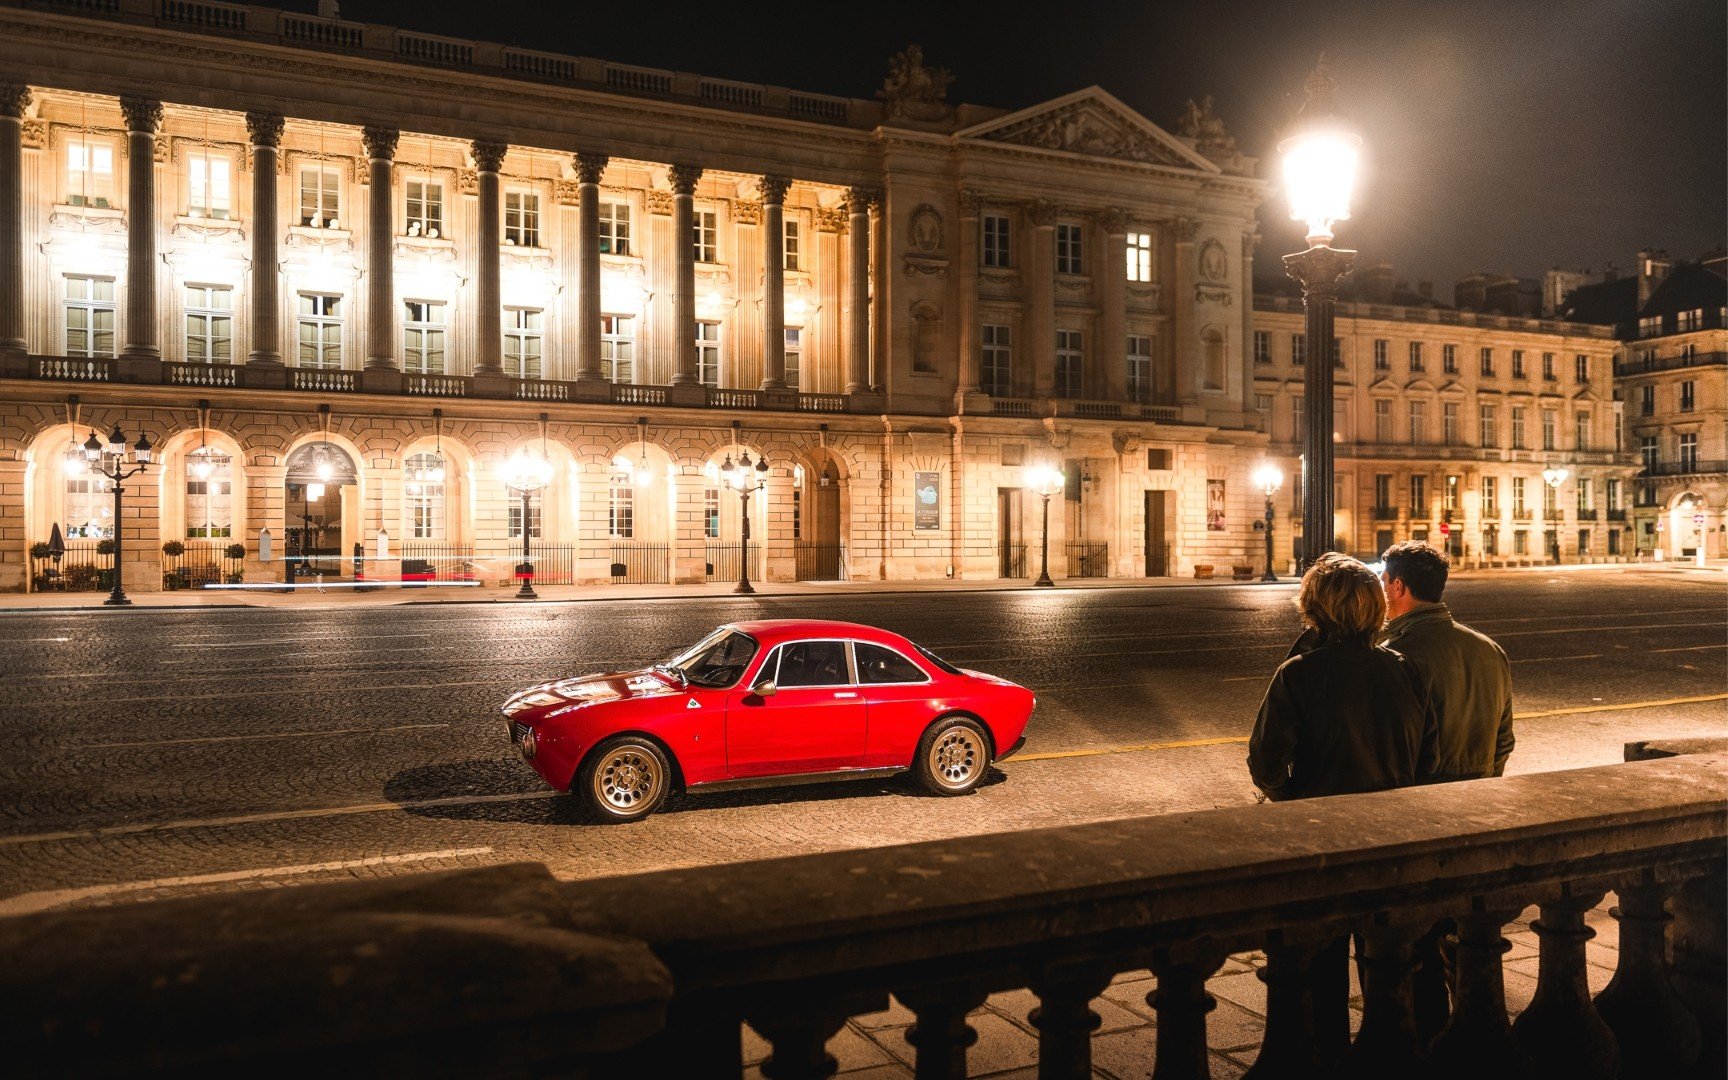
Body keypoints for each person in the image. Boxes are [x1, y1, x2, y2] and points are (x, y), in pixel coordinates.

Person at [1248, 553, 1439, 1066]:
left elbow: (1264, 761)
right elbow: (1430, 759)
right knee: (1387, 956)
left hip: (1321, 836)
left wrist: (1291, 800)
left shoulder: (1300, 674)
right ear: (1375, 608)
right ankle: (1391, 1054)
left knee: (1320, 964)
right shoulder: (1404, 671)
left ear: (1315, 608)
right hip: (1392, 833)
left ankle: (1326, 1055)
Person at [1377, 540, 1516, 1043]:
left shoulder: (1395, 655)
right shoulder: (1488, 650)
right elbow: (1505, 739)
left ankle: (1426, 1046)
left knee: (1415, 953)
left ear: (1398, 587)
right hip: (1476, 814)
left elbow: (1395, 752)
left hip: (1418, 821)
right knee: (1469, 944)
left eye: (1383, 583)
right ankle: (1480, 1042)